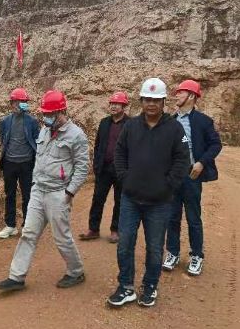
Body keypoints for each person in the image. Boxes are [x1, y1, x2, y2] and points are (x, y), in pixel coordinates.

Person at [107, 78, 190, 308]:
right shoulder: (131, 127)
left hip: (159, 203)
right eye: (147, 99)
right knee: (125, 244)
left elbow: (182, 160)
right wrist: (125, 178)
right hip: (130, 199)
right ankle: (126, 287)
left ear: (163, 102)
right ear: (141, 101)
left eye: (156, 100)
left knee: (154, 248)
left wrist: (168, 185)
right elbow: (119, 153)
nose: (151, 104)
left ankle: (150, 285)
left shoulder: (174, 128)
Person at [0, 90, 89, 292]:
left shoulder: (76, 135)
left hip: (58, 193)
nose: (45, 117)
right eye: (45, 113)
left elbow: (82, 168)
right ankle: (16, 277)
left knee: (61, 237)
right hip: (39, 191)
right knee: (28, 233)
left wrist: (69, 193)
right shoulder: (45, 131)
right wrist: (35, 184)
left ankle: (76, 271)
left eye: (49, 114)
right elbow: (39, 158)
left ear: (61, 111)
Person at [163, 80, 222, 276]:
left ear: (191, 96)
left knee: (193, 217)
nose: (177, 95)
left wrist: (201, 162)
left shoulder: (203, 121)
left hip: (191, 175)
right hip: (173, 176)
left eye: (181, 92)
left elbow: (215, 145)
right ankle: (172, 253)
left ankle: (196, 255)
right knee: (172, 216)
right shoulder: (170, 121)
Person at [79, 92, 130, 244]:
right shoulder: (104, 123)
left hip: (121, 170)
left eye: (117, 104)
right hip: (104, 168)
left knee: (119, 201)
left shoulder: (131, 124)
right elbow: (98, 145)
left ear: (124, 106)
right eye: (112, 103)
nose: (113, 106)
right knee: (97, 199)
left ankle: (115, 230)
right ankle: (93, 229)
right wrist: (96, 165)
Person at [0, 88, 40, 239]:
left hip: (27, 164)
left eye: (22, 102)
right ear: (11, 103)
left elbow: (37, 141)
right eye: (16, 102)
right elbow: (3, 140)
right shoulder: (4, 122)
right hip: (9, 163)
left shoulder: (32, 122)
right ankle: (10, 225)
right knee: (10, 194)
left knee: (28, 195)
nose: (18, 105)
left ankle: (27, 226)